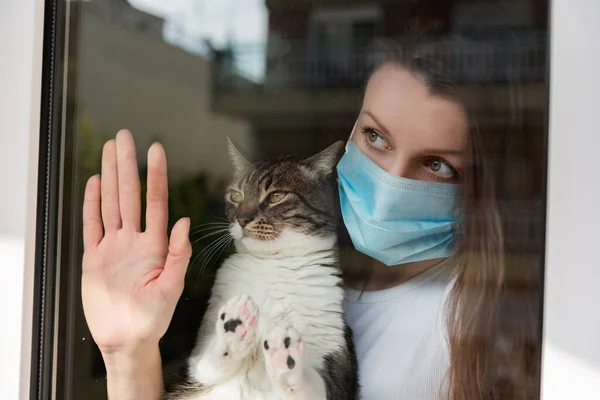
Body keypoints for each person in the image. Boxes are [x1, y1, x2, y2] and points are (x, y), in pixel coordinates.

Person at [81, 41, 537, 400]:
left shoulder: (478, 321)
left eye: (437, 164)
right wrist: (128, 355)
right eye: (375, 136)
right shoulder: (297, 274)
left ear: (479, 186)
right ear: (347, 134)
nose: (391, 180)